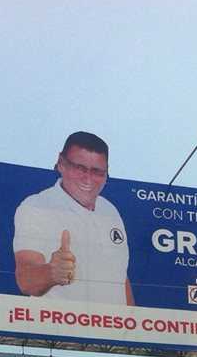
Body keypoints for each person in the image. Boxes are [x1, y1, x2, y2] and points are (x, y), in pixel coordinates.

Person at [13, 131, 133, 306]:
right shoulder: (37, 207)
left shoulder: (110, 210)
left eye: (97, 172)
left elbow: (120, 276)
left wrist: (134, 319)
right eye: (80, 168)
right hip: (60, 322)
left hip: (113, 324)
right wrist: (50, 273)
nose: (88, 179)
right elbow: (25, 279)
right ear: (61, 163)